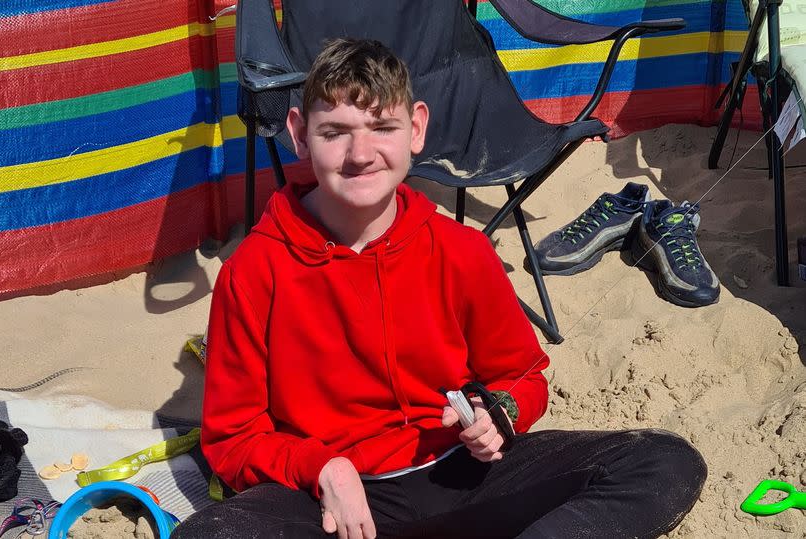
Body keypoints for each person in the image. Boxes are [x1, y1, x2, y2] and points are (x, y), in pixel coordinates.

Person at [173, 38, 707, 539]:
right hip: (338, 502)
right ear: (298, 132)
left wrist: (502, 414)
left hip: (463, 475)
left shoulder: (461, 251)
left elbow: (522, 377)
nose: (361, 153)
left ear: (417, 129)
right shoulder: (255, 269)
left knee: (662, 462)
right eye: (335, 132)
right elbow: (233, 439)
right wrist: (324, 468)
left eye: (383, 127)